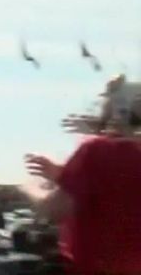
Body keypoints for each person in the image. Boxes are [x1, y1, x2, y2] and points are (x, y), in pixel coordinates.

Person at [22, 77, 141, 274]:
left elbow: (53, 210)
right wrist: (64, 175)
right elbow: (119, 189)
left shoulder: (97, 149)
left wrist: (29, 188)